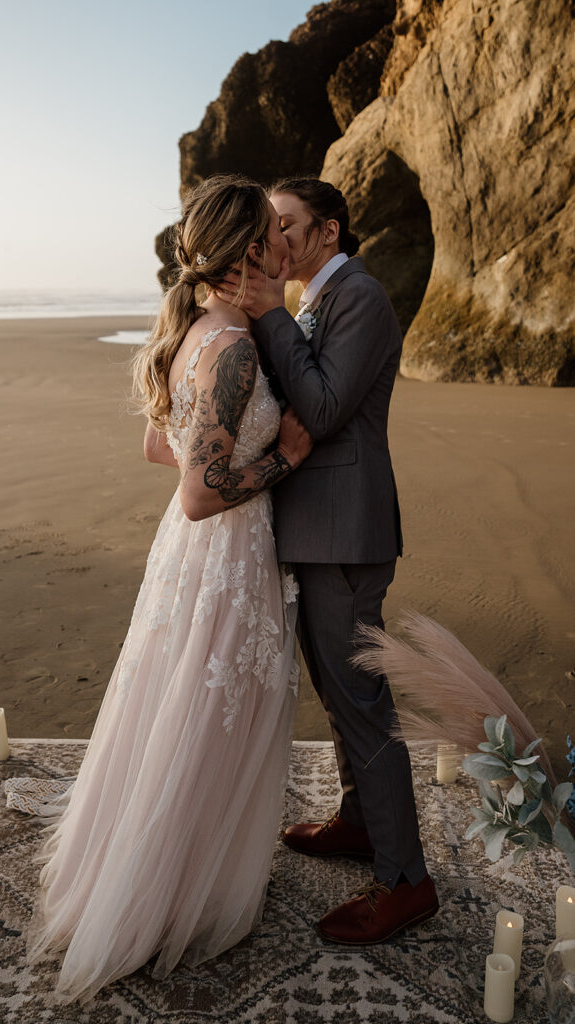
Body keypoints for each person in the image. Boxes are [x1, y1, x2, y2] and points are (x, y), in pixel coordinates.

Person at [11, 175, 313, 1002]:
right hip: (220, 550)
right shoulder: (235, 347)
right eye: (270, 235)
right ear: (249, 249)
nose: (280, 246)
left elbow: (160, 450)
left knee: (180, 703)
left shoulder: (189, 331)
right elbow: (198, 490)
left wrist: (224, 451)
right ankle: (183, 893)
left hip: (187, 558)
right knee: (211, 713)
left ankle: (169, 870)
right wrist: (285, 455)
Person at [216, 177, 439, 945]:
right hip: (316, 527)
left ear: (327, 232)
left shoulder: (361, 299)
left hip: (345, 529)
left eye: (285, 226)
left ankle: (405, 881)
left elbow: (324, 403)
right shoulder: (316, 299)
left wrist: (272, 312)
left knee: (360, 702)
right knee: (338, 692)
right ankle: (358, 821)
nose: (273, 241)